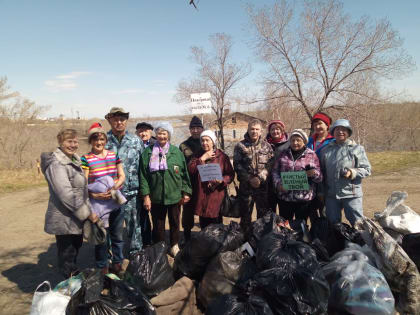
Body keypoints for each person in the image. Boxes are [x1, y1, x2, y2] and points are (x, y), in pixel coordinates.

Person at [41, 129, 97, 278]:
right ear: (60, 142)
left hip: (75, 218)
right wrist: (87, 213)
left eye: (76, 141)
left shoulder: (74, 160)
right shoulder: (56, 164)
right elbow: (65, 194)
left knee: (74, 250)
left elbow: (81, 190)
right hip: (63, 219)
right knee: (67, 256)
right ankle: (68, 291)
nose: (73, 145)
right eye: (69, 141)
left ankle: (71, 285)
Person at [140, 122, 192, 256]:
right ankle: (160, 247)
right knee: (158, 224)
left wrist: (186, 191)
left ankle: (174, 245)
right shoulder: (148, 153)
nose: (161, 136)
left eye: (164, 133)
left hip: (174, 195)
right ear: (155, 135)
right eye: (159, 133)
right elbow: (143, 176)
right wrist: (146, 196)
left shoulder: (176, 152)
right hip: (156, 196)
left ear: (168, 135)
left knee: (175, 222)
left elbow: (184, 173)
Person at [81, 122, 126, 275]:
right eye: (95, 140)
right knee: (101, 237)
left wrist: (114, 187)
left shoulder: (113, 155)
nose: (99, 143)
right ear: (90, 141)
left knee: (117, 235)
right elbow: (83, 183)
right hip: (98, 205)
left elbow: (122, 176)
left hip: (115, 200)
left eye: (102, 139)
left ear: (106, 141)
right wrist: (93, 194)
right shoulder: (86, 159)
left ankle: (118, 263)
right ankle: (103, 266)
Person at [105, 107, 151, 255]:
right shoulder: (103, 141)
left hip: (132, 192)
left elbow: (143, 169)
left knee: (134, 225)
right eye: (115, 119)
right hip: (111, 193)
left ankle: (136, 254)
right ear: (109, 120)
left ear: (126, 121)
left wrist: (145, 193)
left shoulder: (135, 141)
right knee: (112, 227)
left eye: (122, 119)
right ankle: (113, 258)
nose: (119, 122)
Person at [319, 119, 371, 226]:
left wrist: (352, 172)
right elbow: (321, 173)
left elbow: (367, 169)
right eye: (337, 129)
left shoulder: (357, 149)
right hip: (331, 195)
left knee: (358, 224)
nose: (340, 132)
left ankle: (362, 242)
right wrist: (321, 191)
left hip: (351, 194)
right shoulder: (325, 150)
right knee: (333, 225)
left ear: (348, 132)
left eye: (344, 129)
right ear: (333, 132)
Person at [272, 129, 322, 223]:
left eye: (298, 140)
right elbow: (275, 171)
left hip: (304, 199)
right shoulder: (283, 154)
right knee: (285, 226)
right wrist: (278, 184)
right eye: (293, 140)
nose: (295, 143)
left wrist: (313, 173)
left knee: (301, 226)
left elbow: (319, 177)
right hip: (285, 198)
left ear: (304, 142)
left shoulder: (311, 155)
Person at [188, 130, 235, 229]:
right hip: (202, 196)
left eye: (207, 140)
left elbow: (230, 174)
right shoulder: (197, 155)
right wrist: (202, 159)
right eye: (202, 140)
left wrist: (222, 180)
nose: (204, 143)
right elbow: (191, 170)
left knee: (216, 226)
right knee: (204, 225)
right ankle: (204, 243)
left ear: (213, 141)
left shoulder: (222, 157)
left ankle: (216, 243)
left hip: (216, 196)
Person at [233, 119, 274, 232]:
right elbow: (237, 165)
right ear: (248, 130)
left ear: (261, 131)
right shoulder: (240, 146)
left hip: (262, 188)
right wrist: (250, 179)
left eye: (257, 129)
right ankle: (245, 241)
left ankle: (260, 241)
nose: (254, 131)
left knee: (263, 217)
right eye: (252, 129)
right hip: (246, 188)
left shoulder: (267, 146)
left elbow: (270, 164)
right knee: (245, 217)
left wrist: (260, 178)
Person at [179, 115, 204, 241]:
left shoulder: (206, 142)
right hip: (189, 183)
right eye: (193, 128)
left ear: (202, 129)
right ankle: (187, 235)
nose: (195, 130)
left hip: (204, 183)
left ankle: (205, 235)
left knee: (204, 209)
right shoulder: (183, 146)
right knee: (188, 211)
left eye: (198, 128)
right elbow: (181, 168)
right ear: (190, 130)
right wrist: (183, 187)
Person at [307, 112, 335, 221]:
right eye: (315, 125)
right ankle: (315, 234)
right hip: (311, 182)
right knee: (311, 211)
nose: (317, 127)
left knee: (326, 211)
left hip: (327, 181)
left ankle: (328, 235)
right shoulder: (309, 141)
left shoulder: (333, 141)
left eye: (320, 123)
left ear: (327, 125)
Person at [266, 120, 289, 214]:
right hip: (268, 184)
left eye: (277, 129)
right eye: (272, 129)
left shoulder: (289, 144)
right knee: (270, 214)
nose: (275, 131)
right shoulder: (264, 144)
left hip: (285, 184)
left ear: (282, 130)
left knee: (285, 214)